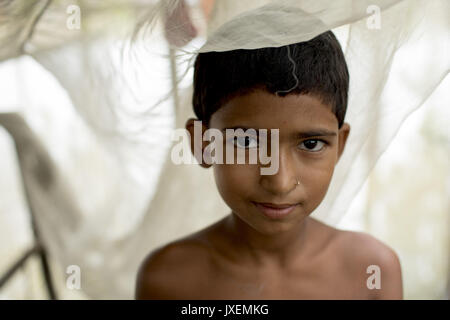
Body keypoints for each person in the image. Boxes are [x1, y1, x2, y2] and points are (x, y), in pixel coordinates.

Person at [135, 30, 403, 299]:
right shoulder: (169, 279)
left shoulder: (372, 271)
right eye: (246, 142)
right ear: (203, 144)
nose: (280, 182)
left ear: (340, 146)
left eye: (311, 144)